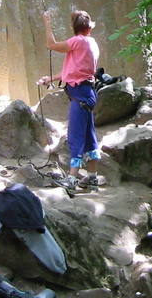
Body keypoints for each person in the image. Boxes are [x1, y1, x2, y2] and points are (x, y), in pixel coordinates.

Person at [37, 10, 100, 190]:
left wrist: (47, 22)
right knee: (89, 136)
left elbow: (51, 44)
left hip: (80, 95)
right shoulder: (91, 43)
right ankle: (93, 178)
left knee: (75, 136)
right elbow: (75, 70)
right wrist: (50, 79)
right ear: (89, 28)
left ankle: (72, 180)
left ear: (75, 28)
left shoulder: (76, 42)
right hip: (87, 94)